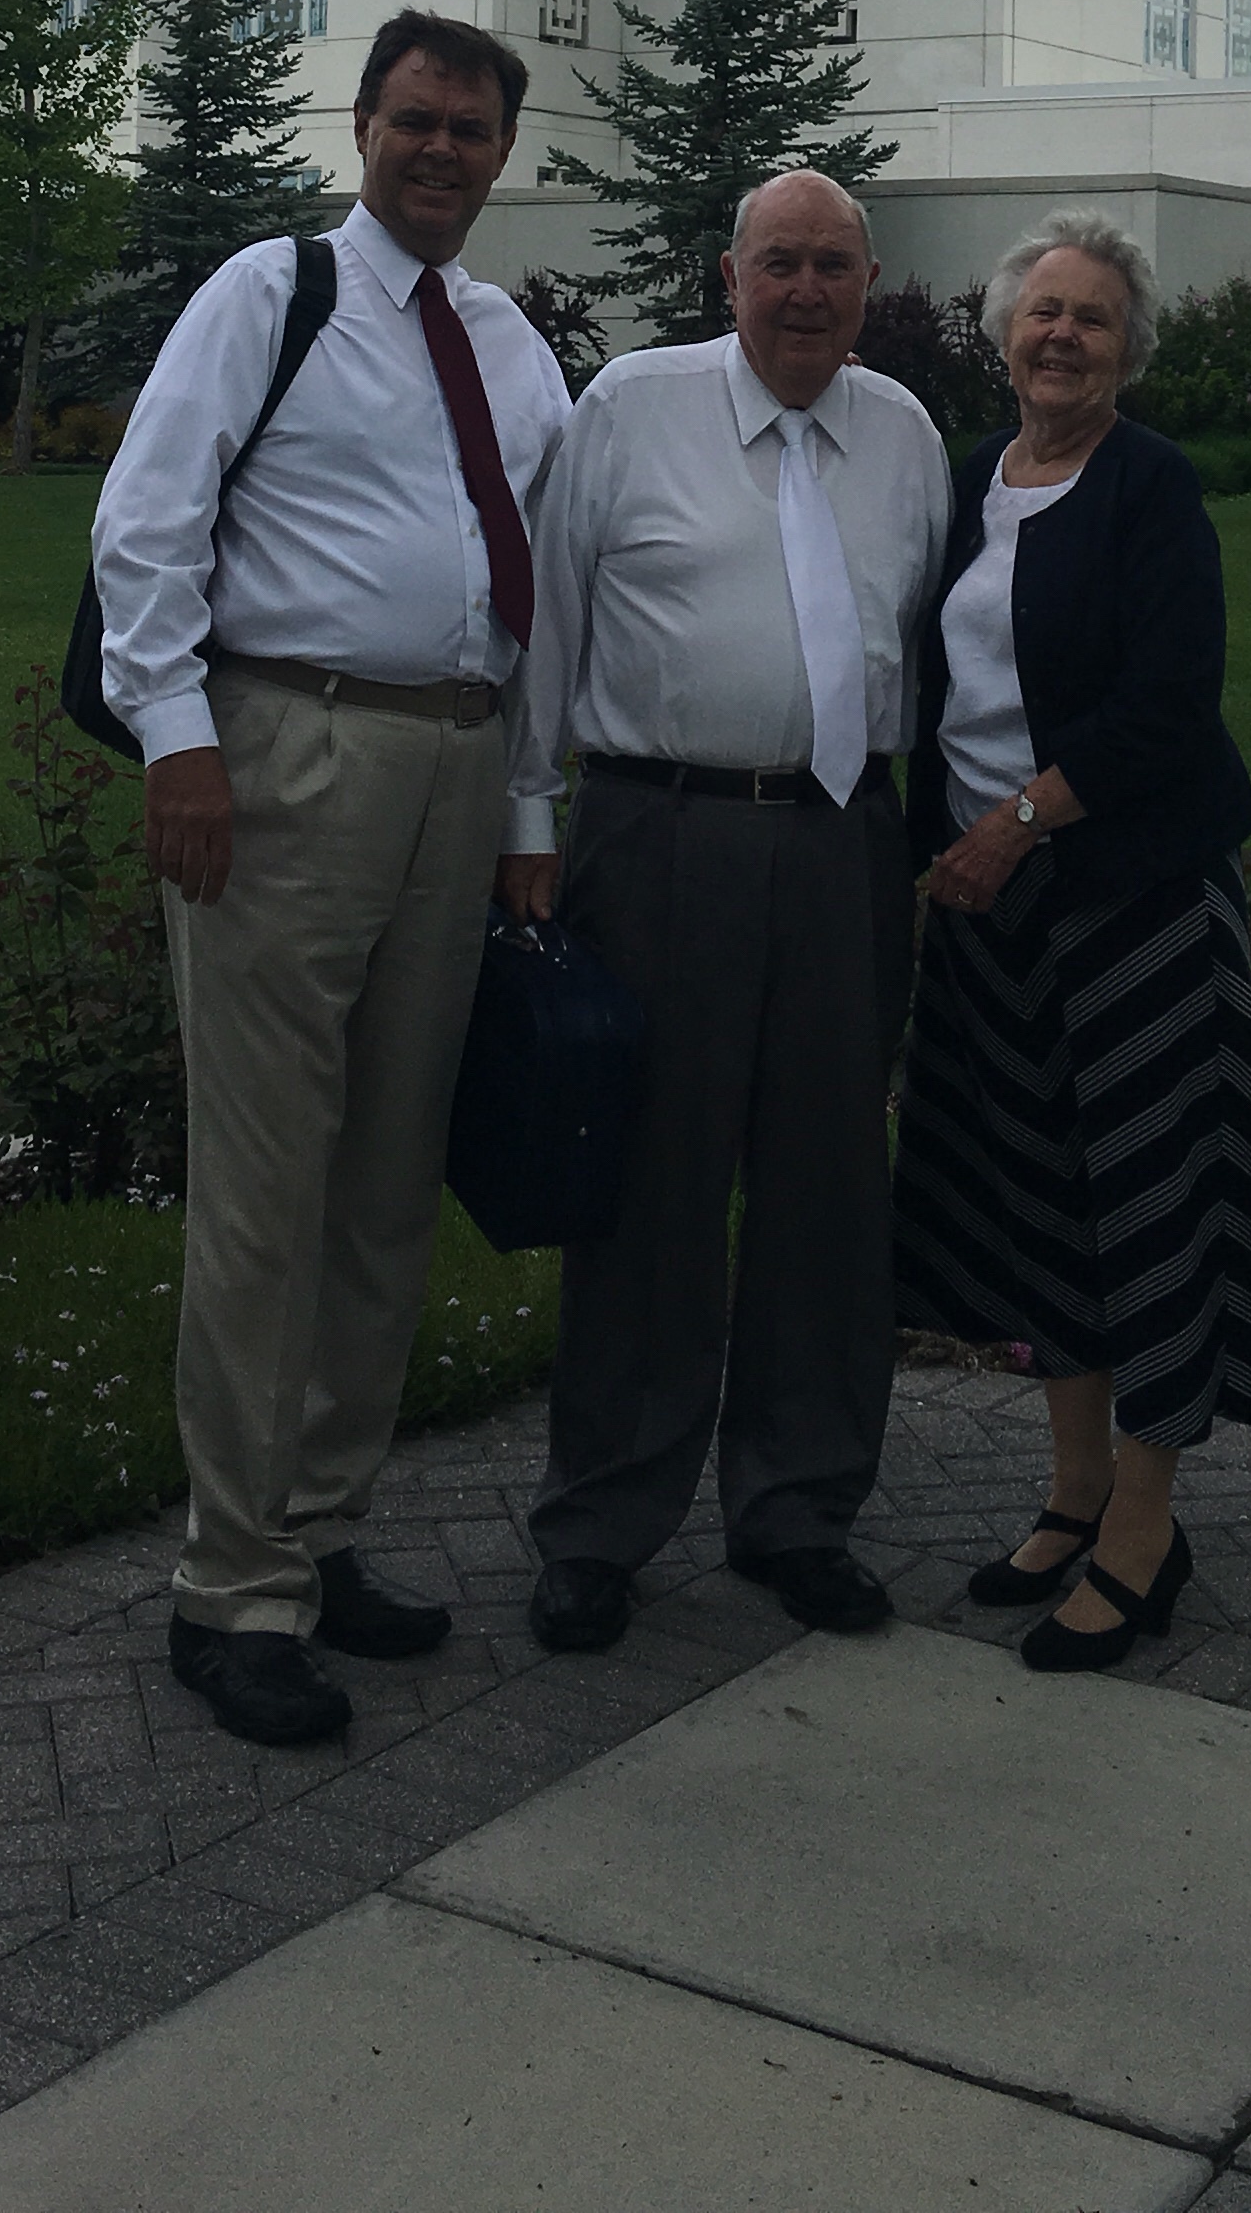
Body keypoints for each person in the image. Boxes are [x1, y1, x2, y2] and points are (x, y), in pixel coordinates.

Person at [92, 10, 571, 1749]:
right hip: (285, 753)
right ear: (361, 126)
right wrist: (176, 740)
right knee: (266, 1187)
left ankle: (321, 1532)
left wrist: (528, 821)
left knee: (382, 1184)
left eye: (472, 130)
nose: (441, 151)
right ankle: (231, 1586)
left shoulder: (516, 346)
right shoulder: (268, 294)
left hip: (456, 765)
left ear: (504, 154)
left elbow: (537, 601)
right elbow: (148, 517)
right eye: (415, 121)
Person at [501, 169, 949, 1656]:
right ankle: (602, 1524)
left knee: (829, 1187)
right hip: (660, 834)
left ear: (868, 277)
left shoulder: (904, 435)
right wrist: (527, 821)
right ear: (727, 274)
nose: (807, 291)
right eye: (780, 265)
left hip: (843, 847)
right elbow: (549, 625)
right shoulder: (629, 408)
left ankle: (798, 1508)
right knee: (653, 1188)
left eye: (833, 266)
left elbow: (926, 655)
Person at [891, 206, 1251, 1675]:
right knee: (1040, 1201)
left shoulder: (1149, 488)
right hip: (990, 912)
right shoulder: (971, 485)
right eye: (1041, 312)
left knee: (1149, 1205)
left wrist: (1018, 820)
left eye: (1091, 317)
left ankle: (1145, 1524)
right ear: (1001, 334)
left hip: (1130, 903)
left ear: (1127, 350)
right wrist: (944, 846)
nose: (1061, 335)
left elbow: (1168, 704)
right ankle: (1073, 1489)